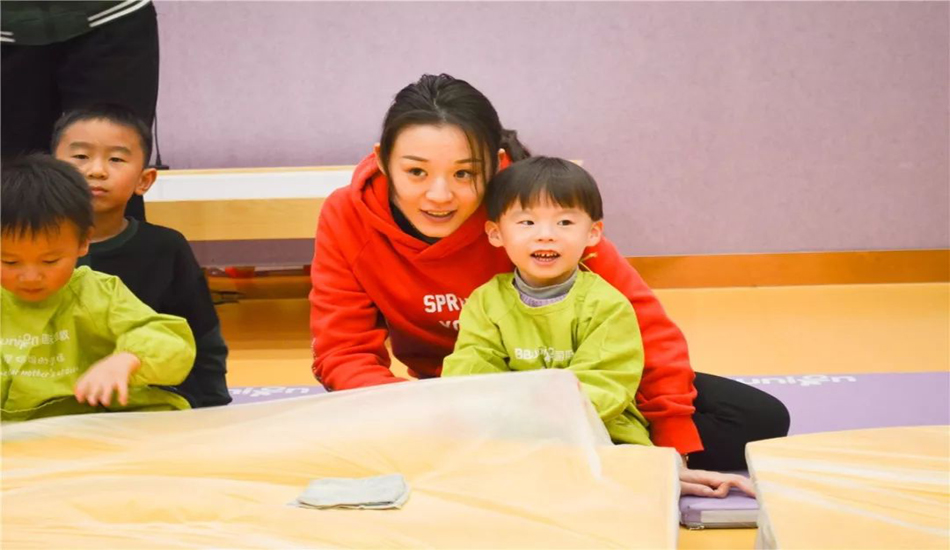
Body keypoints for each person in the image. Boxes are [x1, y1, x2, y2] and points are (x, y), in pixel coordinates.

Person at [309, 74, 788, 495]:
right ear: (383, 160)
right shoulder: (347, 215)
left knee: (757, 419)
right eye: (416, 171)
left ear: (495, 163)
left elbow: (644, 328)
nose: (439, 195)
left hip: (577, 384)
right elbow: (343, 352)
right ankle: (564, 457)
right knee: (337, 436)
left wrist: (671, 448)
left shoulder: (532, 213)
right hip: (462, 395)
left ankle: (544, 456)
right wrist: (427, 419)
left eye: (464, 174)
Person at [442, 156, 652, 448]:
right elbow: (471, 372)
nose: (545, 236)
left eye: (564, 222)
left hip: (600, 431)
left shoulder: (606, 306)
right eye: (527, 222)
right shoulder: (486, 302)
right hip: (510, 431)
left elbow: (606, 383)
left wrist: (538, 417)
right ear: (496, 233)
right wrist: (498, 418)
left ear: (593, 233)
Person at [51, 105, 231, 408]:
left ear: (144, 180)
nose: (96, 170)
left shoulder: (165, 247)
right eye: (80, 156)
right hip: (47, 408)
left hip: (145, 405)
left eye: (116, 159)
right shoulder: (21, 245)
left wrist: (211, 404)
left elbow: (202, 334)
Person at [0, 155, 194, 421]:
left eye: (50, 260)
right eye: (9, 261)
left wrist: (127, 359)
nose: (31, 277)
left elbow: (169, 341)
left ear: (83, 242)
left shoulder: (97, 293)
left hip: (91, 419)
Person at [1, 0, 160, 220]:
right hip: (5, 29)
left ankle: (123, 244)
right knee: (14, 181)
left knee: (113, 159)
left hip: (112, 15)